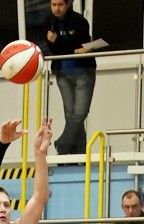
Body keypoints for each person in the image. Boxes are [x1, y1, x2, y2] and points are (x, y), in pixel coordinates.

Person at [45, 0, 96, 156]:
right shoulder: (48, 22)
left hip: (83, 71)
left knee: (80, 112)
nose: (56, 8)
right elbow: (55, 49)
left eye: (60, 4)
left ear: (68, 4)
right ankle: (78, 153)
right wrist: (69, 48)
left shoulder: (79, 21)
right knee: (70, 114)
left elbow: (83, 45)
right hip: (62, 72)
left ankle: (62, 144)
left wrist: (63, 44)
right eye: (53, 5)